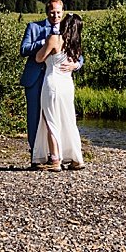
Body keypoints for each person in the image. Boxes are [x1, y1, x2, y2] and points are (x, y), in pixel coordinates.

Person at [31, 12, 84, 171]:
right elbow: (77, 62)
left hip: (53, 82)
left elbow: (39, 58)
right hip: (67, 84)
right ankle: (76, 158)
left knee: (50, 121)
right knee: (68, 121)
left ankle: (55, 160)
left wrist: (42, 45)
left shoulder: (54, 39)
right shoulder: (75, 45)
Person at [19, 0, 65, 163]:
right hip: (35, 79)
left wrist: (76, 65)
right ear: (47, 12)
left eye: (58, 12)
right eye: (52, 11)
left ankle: (56, 155)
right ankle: (35, 156)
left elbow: (78, 53)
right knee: (34, 118)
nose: (55, 15)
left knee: (56, 117)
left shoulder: (66, 29)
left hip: (57, 80)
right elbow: (23, 50)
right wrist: (44, 42)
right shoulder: (33, 27)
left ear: (62, 12)